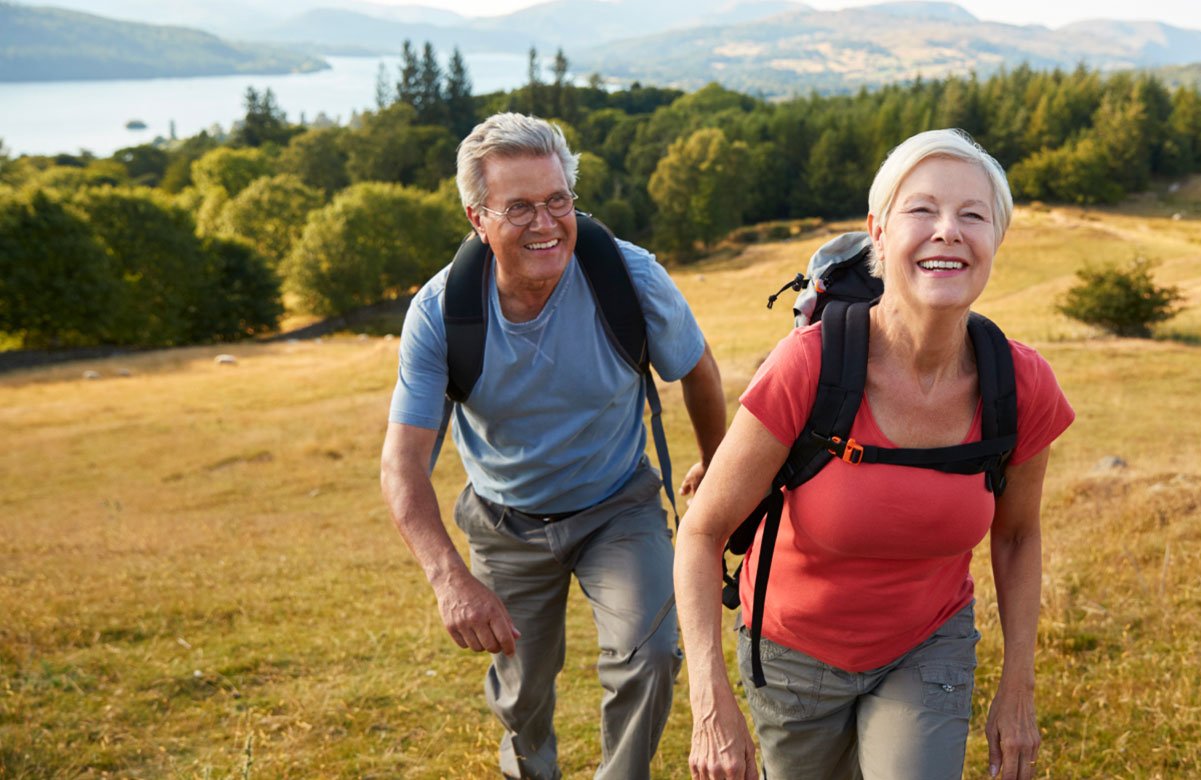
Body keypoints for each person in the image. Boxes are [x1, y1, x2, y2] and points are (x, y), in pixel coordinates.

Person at [672, 128, 1074, 780]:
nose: (949, 230)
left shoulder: (1020, 385)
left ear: (996, 241)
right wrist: (710, 703)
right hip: (790, 650)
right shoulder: (809, 366)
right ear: (879, 233)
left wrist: (1018, 688)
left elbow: (1019, 536)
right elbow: (702, 532)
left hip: (928, 644)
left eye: (973, 215)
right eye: (923, 209)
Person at [380, 112, 727, 780]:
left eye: (557, 201)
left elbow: (699, 371)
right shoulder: (441, 313)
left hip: (618, 505)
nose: (545, 224)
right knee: (522, 693)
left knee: (649, 655)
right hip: (505, 522)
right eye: (519, 208)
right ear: (477, 217)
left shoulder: (630, 277)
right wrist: (450, 579)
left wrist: (716, 463)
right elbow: (401, 463)